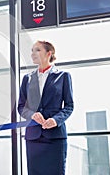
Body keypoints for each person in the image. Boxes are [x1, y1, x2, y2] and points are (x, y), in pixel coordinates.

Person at [17, 40, 74, 175]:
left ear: (49, 53)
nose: (32, 54)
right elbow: (21, 107)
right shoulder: (27, 78)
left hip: (55, 137)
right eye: (32, 50)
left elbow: (69, 106)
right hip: (33, 137)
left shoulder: (63, 76)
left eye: (37, 50)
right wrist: (32, 115)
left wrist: (55, 120)